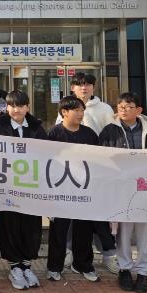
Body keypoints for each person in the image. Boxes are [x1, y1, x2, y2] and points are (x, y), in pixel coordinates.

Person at [98, 92, 147, 293]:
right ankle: (124, 269)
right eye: (120, 107)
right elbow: (100, 157)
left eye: (128, 106)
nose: (123, 110)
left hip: (145, 191)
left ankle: (143, 273)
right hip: (121, 190)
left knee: (144, 232)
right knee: (123, 231)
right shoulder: (109, 131)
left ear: (139, 110)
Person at [55, 72, 117, 273]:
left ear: (93, 87)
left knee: (99, 216)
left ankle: (108, 253)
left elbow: (111, 136)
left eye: (88, 84)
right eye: (80, 84)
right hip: (70, 173)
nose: (84, 87)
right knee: (71, 215)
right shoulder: (65, 108)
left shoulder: (104, 109)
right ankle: (69, 251)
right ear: (72, 87)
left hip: (96, 171)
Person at [0, 90, 47, 290]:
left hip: (31, 188)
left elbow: (48, 155)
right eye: (12, 106)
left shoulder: (37, 128)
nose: (17, 110)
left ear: (27, 107)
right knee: (10, 226)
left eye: (21, 105)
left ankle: (27, 266)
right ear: (7, 107)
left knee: (31, 227)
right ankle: (15, 267)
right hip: (7, 189)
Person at [46, 96, 100, 283]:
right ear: (64, 112)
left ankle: (83, 265)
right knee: (58, 231)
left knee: (84, 230)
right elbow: (46, 161)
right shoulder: (54, 133)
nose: (80, 113)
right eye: (76, 110)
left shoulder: (90, 134)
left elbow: (98, 159)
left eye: (82, 110)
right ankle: (54, 267)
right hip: (60, 190)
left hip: (83, 189)